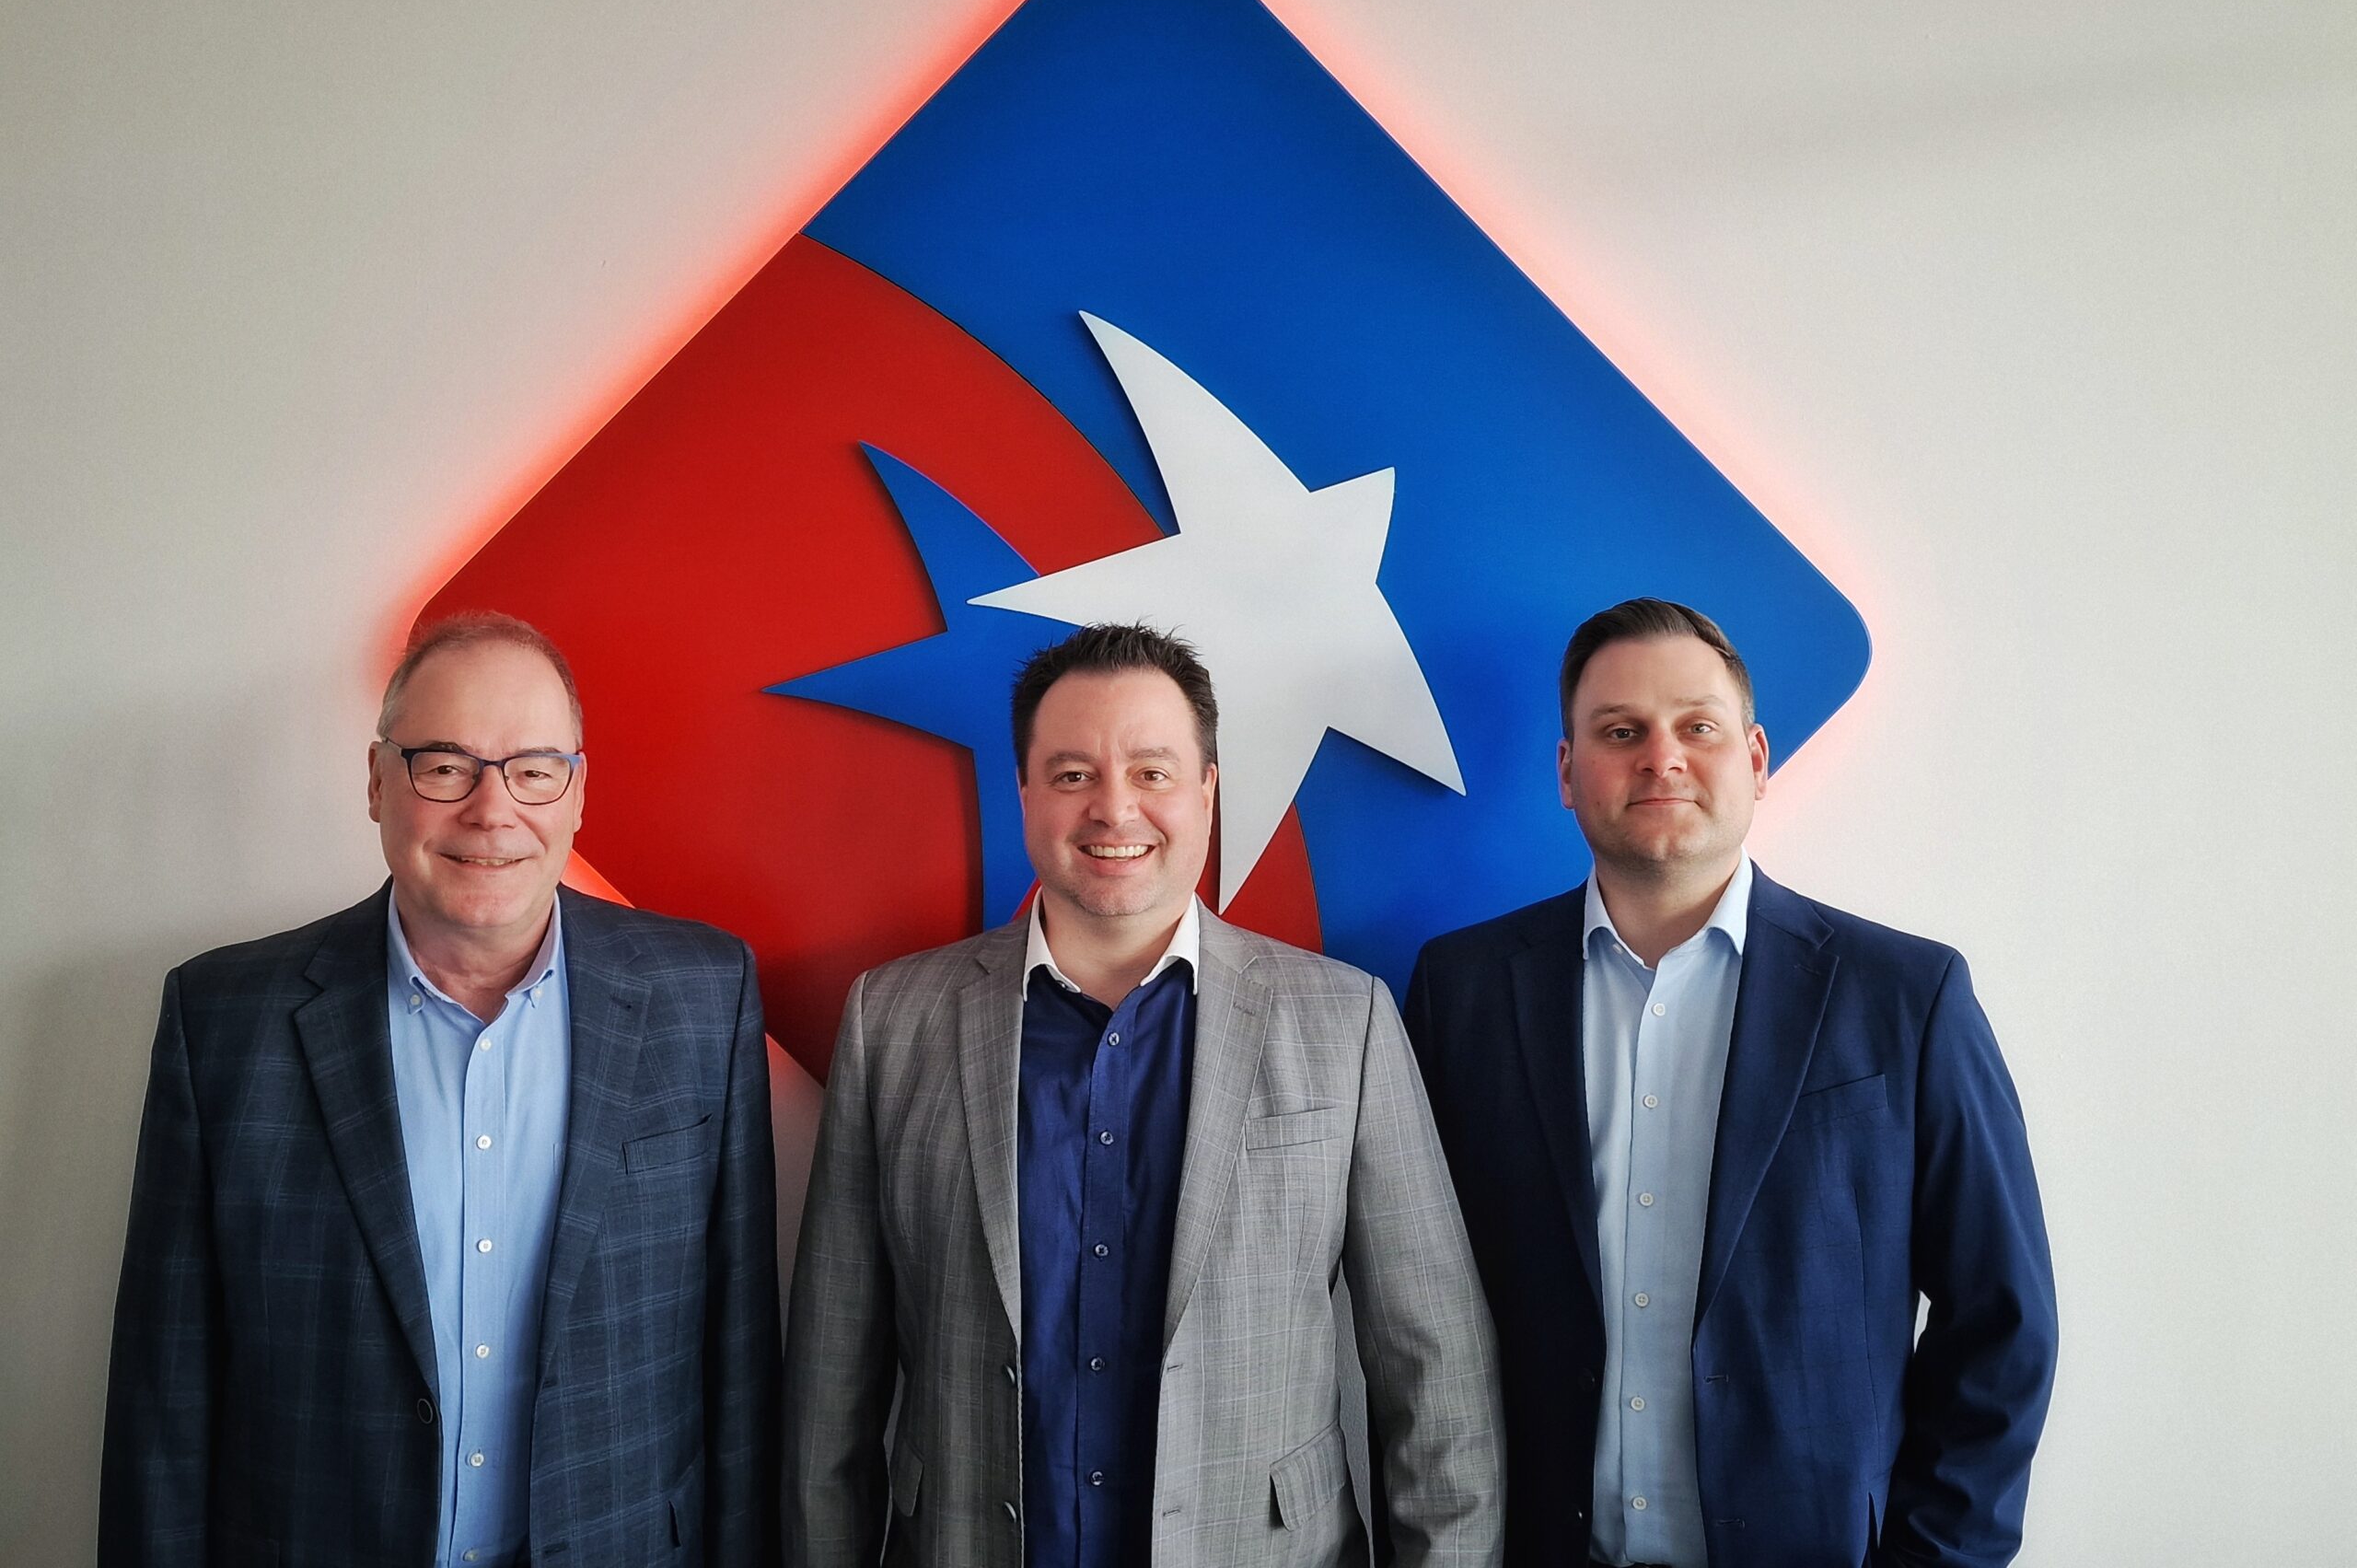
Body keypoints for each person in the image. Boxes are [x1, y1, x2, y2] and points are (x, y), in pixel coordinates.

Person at [783, 623, 1502, 1568]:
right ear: (1025, 793)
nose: (1114, 808)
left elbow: (1436, 1375)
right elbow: (831, 1380)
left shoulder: (1347, 1021)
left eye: (1152, 771)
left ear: (1206, 790)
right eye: (1073, 773)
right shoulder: (892, 1020)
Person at [101, 612, 781, 1568]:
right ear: (378, 783)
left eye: (534, 769)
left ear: (579, 793)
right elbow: (163, 1390)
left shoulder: (704, 995)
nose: (492, 811)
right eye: (446, 766)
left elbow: (739, 1359)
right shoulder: (222, 1019)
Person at [1406, 598, 2056, 1568]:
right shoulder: (1460, 992)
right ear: (1567, 774)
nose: (1661, 759)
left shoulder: (1906, 997)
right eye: (1620, 732)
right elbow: (1414, 1315)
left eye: (1697, 728)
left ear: (1754, 759)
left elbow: (2002, 1322)